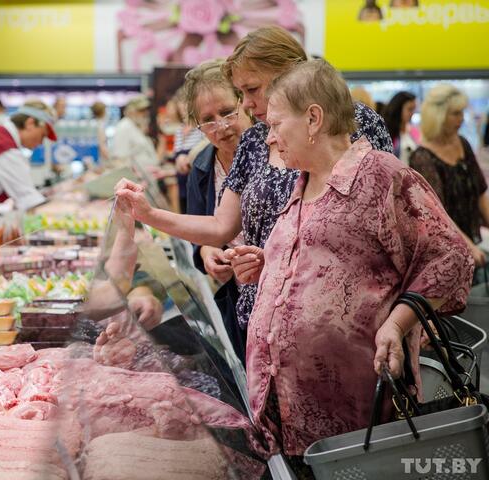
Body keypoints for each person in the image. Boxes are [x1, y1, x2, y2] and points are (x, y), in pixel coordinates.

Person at [254, 59, 470, 477]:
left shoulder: (380, 176)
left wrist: (398, 322)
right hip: (290, 414)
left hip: (358, 419)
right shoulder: (302, 183)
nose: (271, 137)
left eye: (277, 124)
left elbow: (449, 255)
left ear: (313, 118)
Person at [115, 26, 393, 334]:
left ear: (289, 73)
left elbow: (388, 224)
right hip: (260, 319)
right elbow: (222, 226)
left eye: (252, 89)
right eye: (240, 93)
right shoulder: (254, 140)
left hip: (343, 321)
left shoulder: (355, 122)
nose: (246, 104)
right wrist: (149, 214)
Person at [180, 59, 253, 362]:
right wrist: (207, 252)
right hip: (236, 296)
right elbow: (201, 232)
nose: (221, 127)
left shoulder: (280, 153)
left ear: (244, 102)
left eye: (226, 112)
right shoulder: (201, 167)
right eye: (207, 120)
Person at [409, 84, 489, 283]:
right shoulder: (422, 158)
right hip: (447, 254)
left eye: (462, 112)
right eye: (455, 113)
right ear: (439, 115)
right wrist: (467, 246)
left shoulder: (463, 144)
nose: (461, 119)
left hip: (475, 245)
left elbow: (480, 193)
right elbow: (437, 213)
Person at [111, 94, 159, 169]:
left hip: (148, 176)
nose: (145, 113)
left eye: (146, 110)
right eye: (141, 110)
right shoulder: (124, 126)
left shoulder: (136, 126)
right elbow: (119, 159)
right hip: (136, 177)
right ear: (131, 110)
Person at [382, 91, 419, 163]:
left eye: (414, 109)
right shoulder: (386, 132)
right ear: (398, 109)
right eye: (409, 109)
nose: (412, 113)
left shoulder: (414, 131)